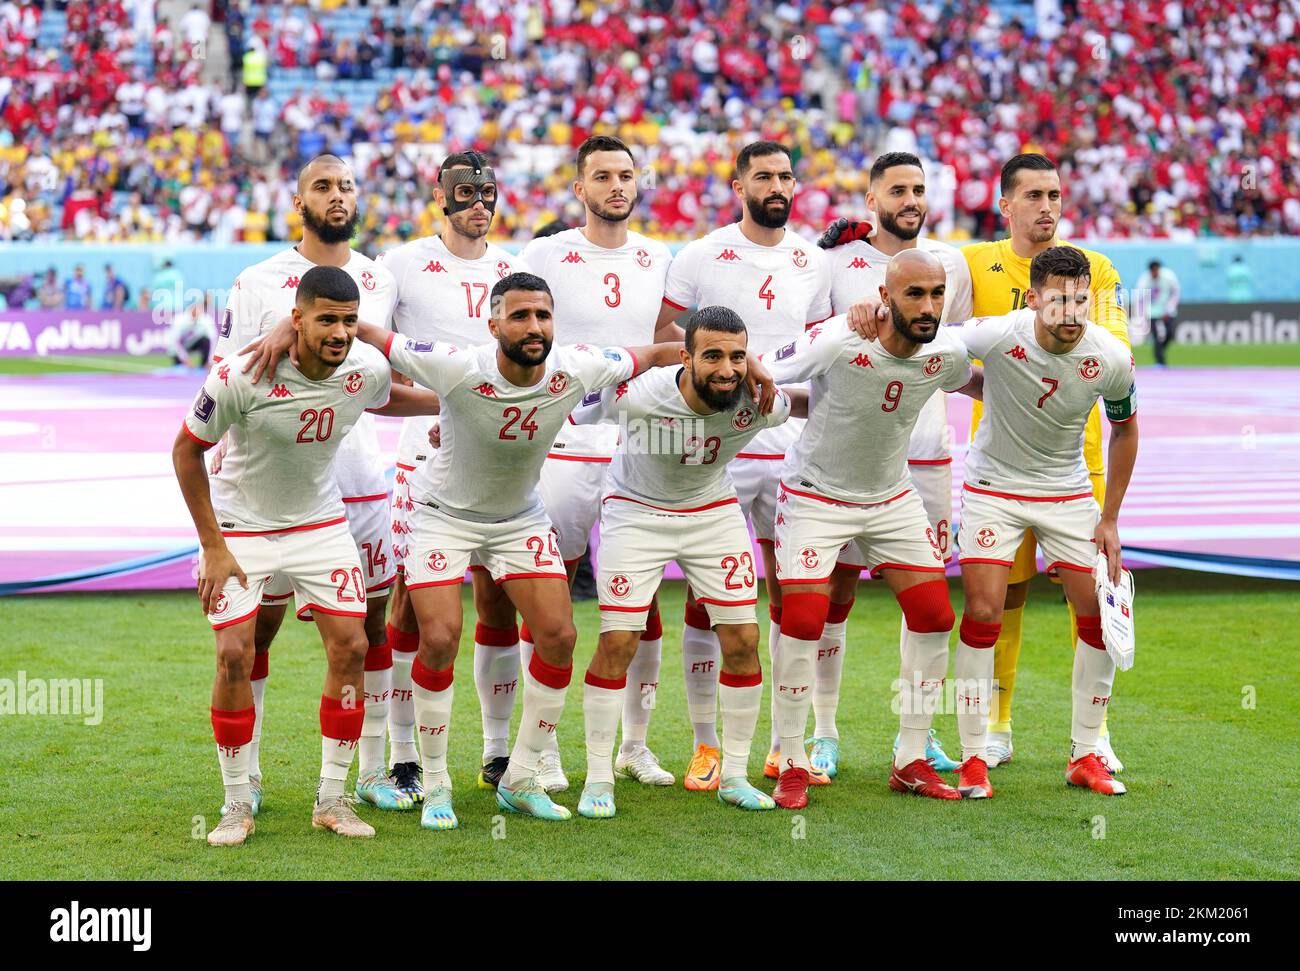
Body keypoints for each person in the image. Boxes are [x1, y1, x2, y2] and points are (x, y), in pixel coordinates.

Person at [353, 272, 708, 828]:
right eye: (519, 316)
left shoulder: (577, 366)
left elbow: (658, 351)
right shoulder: (457, 365)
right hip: (443, 518)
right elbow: (371, 334)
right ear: (493, 324)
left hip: (518, 520)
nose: (534, 326)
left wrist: (748, 364)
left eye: (542, 315)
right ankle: (438, 780)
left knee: (560, 636)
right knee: (441, 635)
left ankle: (520, 776)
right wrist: (289, 329)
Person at [171, 265, 437, 846]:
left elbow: (386, 399)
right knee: (235, 655)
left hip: (319, 524)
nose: (340, 332)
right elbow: (186, 453)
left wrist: (457, 403)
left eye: (348, 320)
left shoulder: (363, 369)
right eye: (326, 320)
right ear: (297, 319)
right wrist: (213, 548)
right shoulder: (241, 375)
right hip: (241, 528)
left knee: (351, 646)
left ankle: (332, 798)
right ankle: (237, 802)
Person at [215, 154, 408, 816]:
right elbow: (232, 377)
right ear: (297, 198)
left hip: (360, 478)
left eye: (346, 185)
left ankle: (372, 770)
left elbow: (390, 371)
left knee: (367, 631)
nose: (336, 196)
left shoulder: (381, 278)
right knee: (255, 633)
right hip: (276, 493)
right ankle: (252, 769)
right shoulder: (258, 280)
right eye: (323, 186)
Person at [759, 250, 981, 808]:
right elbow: (761, 366)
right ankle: (791, 758)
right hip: (814, 493)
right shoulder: (838, 337)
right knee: (806, 618)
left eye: (937, 294)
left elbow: (980, 383)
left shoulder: (946, 353)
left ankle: (909, 760)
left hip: (891, 495)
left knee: (934, 616)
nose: (929, 306)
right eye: (915, 294)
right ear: (885, 297)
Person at [654, 139, 834, 791]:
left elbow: (821, 350)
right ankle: (706, 747)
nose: (778, 185)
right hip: (717, 451)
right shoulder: (701, 255)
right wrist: (733, 370)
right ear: (739, 186)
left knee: (793, 595)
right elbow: (665, 334)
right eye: (764, 176)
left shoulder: (814, 261)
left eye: (787, 175)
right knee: (710, 599)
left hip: (790, 449)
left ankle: (788, 745)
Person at [569, 306, 790, 818]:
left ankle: (733, 775)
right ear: (686, 358)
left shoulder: (761, 404)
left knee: (743, 639)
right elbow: (572, 408)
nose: (727, 369)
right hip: (636, 511)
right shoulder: (640, 396)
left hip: (712, 511)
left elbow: (805, 401)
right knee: (619, 641)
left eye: (738, 356)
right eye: (712, 356)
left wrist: (761, 370)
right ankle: (600, 777)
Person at [959, 154, 1130, 771]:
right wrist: (986, 385)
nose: (1047, 206)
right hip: (1000, 465)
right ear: (1005, 204)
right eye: (1032, 195)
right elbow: (940, 335)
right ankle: (996, 727)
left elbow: (1101, 352)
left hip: (1078, 465)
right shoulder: (973, 262)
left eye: (1055, 194)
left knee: (1091, 604)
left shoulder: (1093, 269)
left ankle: (1094, 736)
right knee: (1003, 599)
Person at [519, 135, 678, 791]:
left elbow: (672, 339)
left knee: (641, 599)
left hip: (641, 439)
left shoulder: (658, 256)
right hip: (565, 438)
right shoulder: (544, 254)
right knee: (555, 597)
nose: (617, 185)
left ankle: (634, 745)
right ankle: (543, 747)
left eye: (626, 175)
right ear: (578, 188)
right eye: (602, 176)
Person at [377, 150, 534, 795]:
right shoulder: (401, 265)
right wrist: (441, 406)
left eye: (487, 193)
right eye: (465, 192)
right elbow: (371, 360)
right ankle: (404, 752)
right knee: (416, 607)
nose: (478, 203)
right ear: (439, 194)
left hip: (499, 459)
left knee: (496, 597)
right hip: (424, 455)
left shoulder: (514, 270)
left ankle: (497, 752)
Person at [814, 151, 973, 776]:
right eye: (897, 190)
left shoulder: (948, 264)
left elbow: (955, 347)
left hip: (926, 453)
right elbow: (810, 343)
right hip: (848, 459)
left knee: (925, 602)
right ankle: (824, 732)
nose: (910, 200)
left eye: (919, 189)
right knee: (834, 596)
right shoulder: (836, 261)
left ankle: (918, 734)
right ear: (872, 198)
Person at [1136, 260, 1179, 367]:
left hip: (1166, 311)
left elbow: (1175, 293)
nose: (1155, 273)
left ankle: (1160, 352)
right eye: (1153, 271)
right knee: (1158, 337)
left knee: (1169, 335)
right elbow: (1139, 299)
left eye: (1156, 270)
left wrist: (1169, 309)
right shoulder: (1144, 280)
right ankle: (1160, 362)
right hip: (1152, 313)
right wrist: (1142, 316)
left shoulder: (1169, 277)